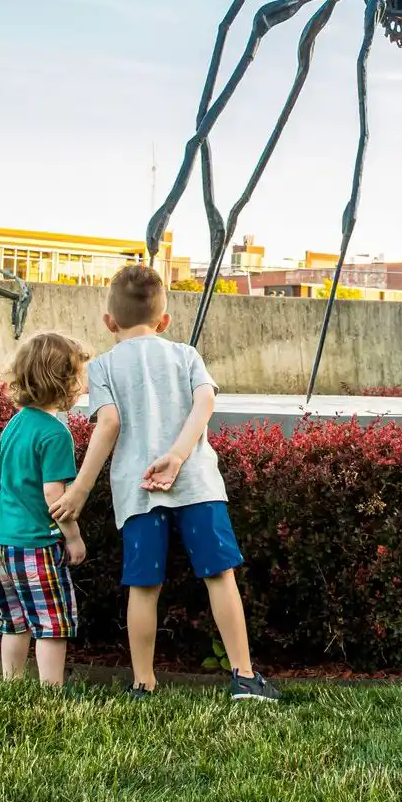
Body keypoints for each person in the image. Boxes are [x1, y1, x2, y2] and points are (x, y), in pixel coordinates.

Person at [49, 264, 280, 703]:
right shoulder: (186, 355)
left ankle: (143, 683)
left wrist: (80, 488)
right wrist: (177, 456)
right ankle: (245, 677)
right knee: (219, 576)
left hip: (138, 490)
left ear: (109, 322)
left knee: (144, 585)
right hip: (196, 484)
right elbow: (205, 402)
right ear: (165, 320)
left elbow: (109, 423)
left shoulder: (103, 366)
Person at [0, 331, 91, 687]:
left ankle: (11, 684)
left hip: (2, 545)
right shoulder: (55, 434)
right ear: (65, 381)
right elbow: (54, 496)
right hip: (37, 546)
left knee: (14, 621)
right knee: (51, 624)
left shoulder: (14, 426)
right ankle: (51, 691)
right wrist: (74, 539)